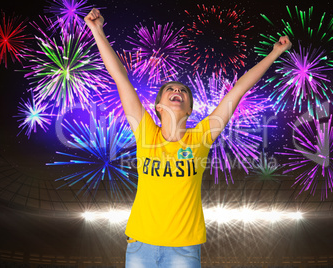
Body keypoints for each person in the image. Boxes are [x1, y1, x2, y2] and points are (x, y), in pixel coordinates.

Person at [84, 7, 291, 268]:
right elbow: (120, 77)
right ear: (158, 106)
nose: (177, 90)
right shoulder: (146, 131)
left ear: (190, 109)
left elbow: (238, 89)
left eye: (182, 90)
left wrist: (275, 53)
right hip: (140, 246)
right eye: (170, 89)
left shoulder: (201, 137)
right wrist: (97, 30)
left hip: (183, 250)